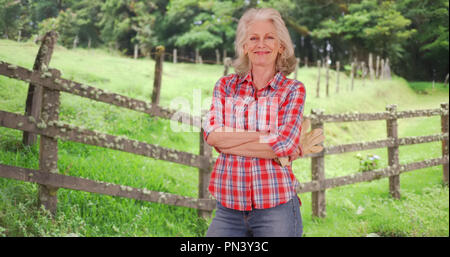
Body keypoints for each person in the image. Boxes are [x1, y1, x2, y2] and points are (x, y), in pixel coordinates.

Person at [202, 8, 324, 237]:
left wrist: (232, 141)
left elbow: (285, 144)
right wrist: (265, 137)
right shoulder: (225, 86)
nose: (261, 44)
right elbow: (213, 136)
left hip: (276, 208)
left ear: (281, 46)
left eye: (269, 37)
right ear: (244, 46)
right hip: (228, 209)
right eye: (253, 38)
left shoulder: (292, 90)